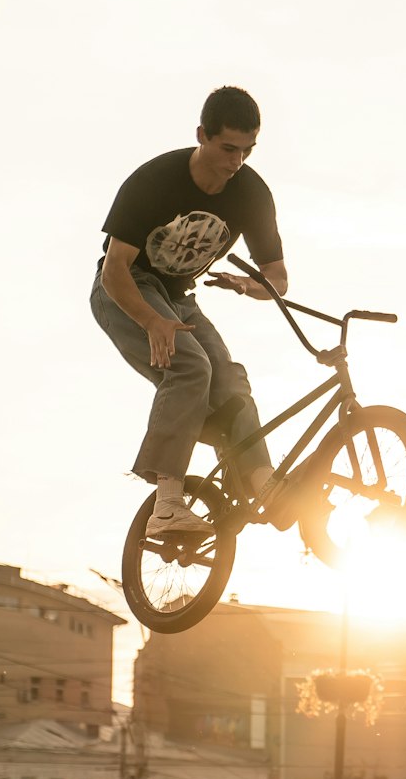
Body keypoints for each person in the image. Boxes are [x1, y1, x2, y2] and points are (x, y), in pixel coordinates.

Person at [91, 86, 287, 538]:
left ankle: (262, 483)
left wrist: (247, 284)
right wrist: (152, 321)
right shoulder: (155, 180)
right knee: (191, 366)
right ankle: (167, 505)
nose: (236, 163)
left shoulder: (252, 194)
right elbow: (114, 270)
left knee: (231, 380)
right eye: (227, 149)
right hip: (127, 291)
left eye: (247, 151)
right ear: (202, 135)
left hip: (179, 297)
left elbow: (277, 279)